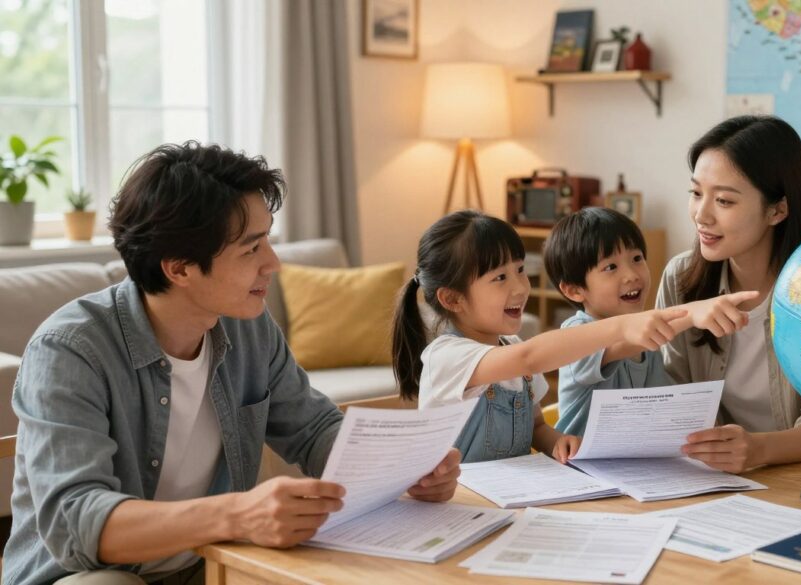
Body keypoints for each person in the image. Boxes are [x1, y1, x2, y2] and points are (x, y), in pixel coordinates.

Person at [3, 142, 461, 585]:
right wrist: (240, 513)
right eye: (251, 248)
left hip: (212, 564)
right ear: (179, 268)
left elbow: (315, 430)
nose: (274, 264)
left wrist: (405, 468)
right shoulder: (70, 350)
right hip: (85, 574)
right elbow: (74, 524)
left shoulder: (249, 329)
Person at [391, 210, 704, 464]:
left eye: (520, 270)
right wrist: (624, 326)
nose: (520, 287)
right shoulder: (447, 356)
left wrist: (558, 442)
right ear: (452, 299)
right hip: (461, 500)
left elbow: (537, 427)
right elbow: (529, 357)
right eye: (500, 277)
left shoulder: (510, 347)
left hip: (512, 495)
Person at [657, 115, 801, 474]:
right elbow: (672, 393)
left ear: (777, 210)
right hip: (711, 478)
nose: (701, 215)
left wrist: (757, 449)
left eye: (725, 201)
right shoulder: (680, 279)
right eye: (696, 193)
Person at [542, 207, 757, 437]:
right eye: (611, 267)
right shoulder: (577, 335)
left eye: (637, 258)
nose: (632, 275)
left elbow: (663, 407)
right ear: (574, 290)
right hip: (579, 467)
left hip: (631, 464)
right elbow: (629, 340)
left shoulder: (649, 349)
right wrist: (692, 313)